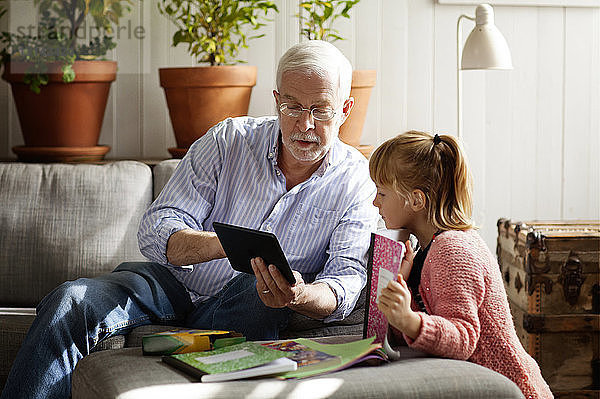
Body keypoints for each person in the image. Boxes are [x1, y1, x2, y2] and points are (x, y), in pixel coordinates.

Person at [1, 40, 378, 399]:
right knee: (71, 301)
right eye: (293, 107)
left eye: (321, 110)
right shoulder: (229, 139)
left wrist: (299, 294)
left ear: (345, 109)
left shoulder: (358, 182)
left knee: (255, 286)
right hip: (171, 283)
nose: (305, 124)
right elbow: (157, 227)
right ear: (277, 101)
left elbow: (345, 281)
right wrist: (223, 245)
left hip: (248, 306)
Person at [369, 131, 553, 399]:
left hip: (513, 390)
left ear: (416, 200)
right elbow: (411, 339)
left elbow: (463, 339)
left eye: (382, 193)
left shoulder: (452, 250)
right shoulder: (426, 248)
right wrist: (403, 283)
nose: (375, 202)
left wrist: (409, 320)